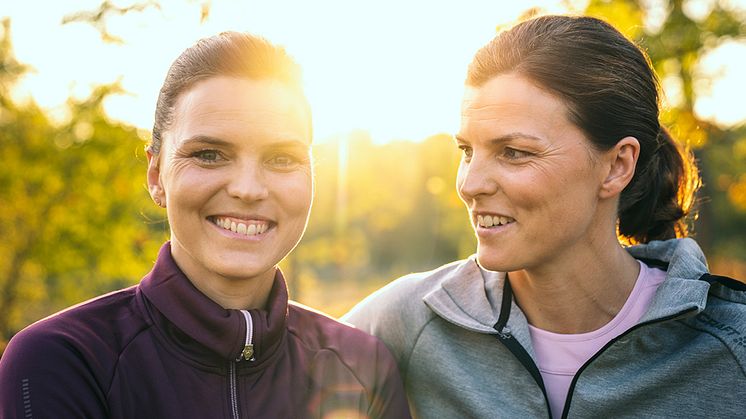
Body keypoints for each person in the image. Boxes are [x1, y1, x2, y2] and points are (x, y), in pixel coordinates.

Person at [344, 15, 746, 418]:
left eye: (514, 152)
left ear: (616, 166)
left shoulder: (733, 349)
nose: (470, 184)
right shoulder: (411, 319)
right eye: (467, 151)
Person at [0, 32, 410, 419]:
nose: (248, 189)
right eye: (210, 154)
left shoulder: (363, 366)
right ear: (156, 175)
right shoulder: (64, 361)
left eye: (282, 159)